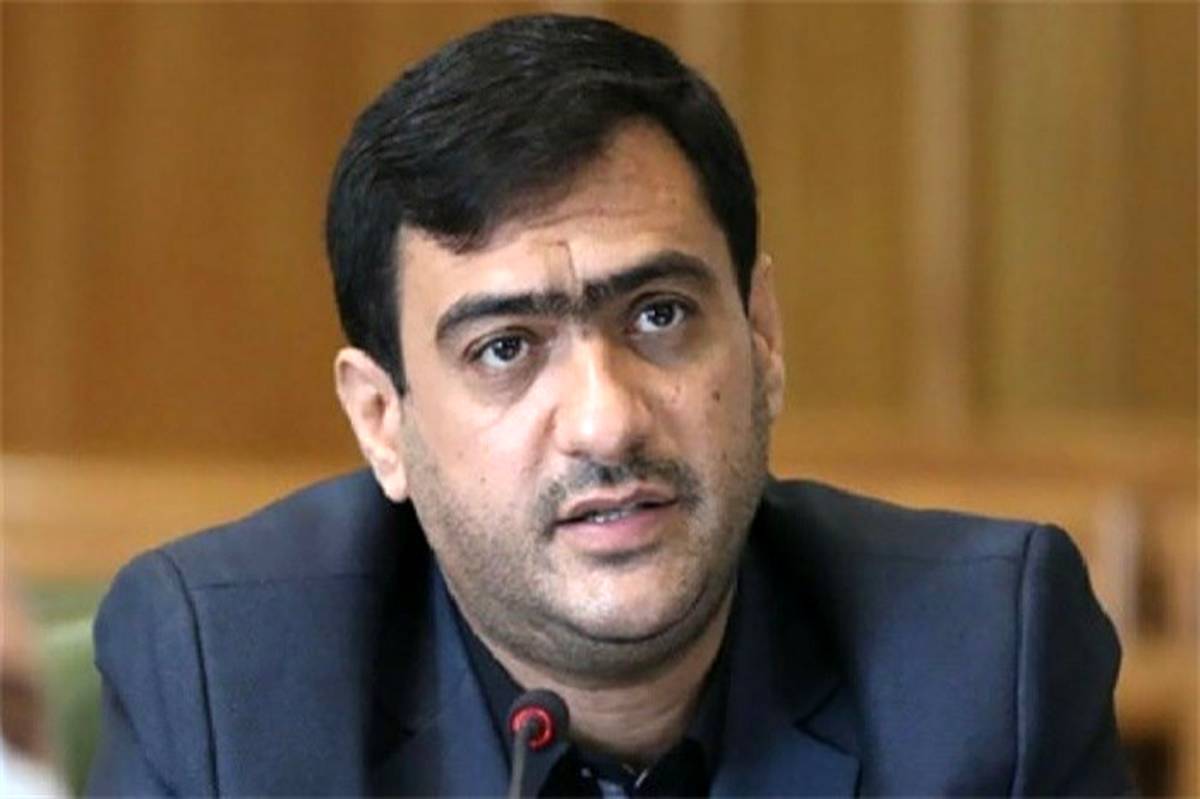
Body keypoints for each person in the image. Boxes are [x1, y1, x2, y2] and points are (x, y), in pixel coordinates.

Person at [85, 14, 1132, 797]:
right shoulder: (228, 684)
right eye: (505, 348)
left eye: (660, 315)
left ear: (762, 335)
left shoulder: (987, 657)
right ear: (381, 422)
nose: (607, 421)